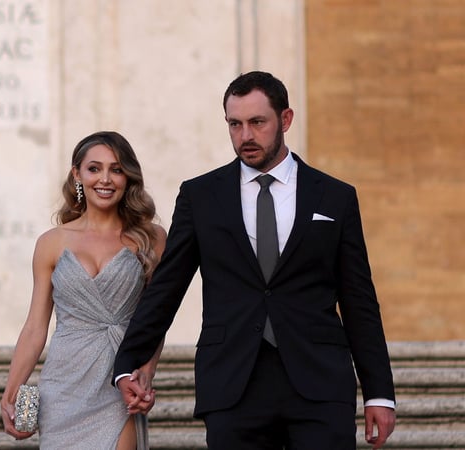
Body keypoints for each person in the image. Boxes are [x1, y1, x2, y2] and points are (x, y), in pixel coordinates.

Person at [113, 71, 396, 450]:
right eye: (235, 124)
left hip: (319, 381)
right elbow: (167, 286)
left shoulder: (335, 197)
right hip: (232, 382)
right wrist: (126, 363)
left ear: (286, 119)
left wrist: (379, 392)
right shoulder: (200, 196)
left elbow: (359, 299)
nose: (245, 136)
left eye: (257, 122)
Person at [1, 131, 167, 449]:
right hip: (63, 386)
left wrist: (146, 372)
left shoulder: (152, 239)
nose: (105, 179)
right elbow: (36, 327)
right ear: (77, 173)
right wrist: (11, 392)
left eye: (116, 169)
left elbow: (156, 318)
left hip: (119, 382)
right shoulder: (51, 243)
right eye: (94, 169)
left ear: (128, 176)